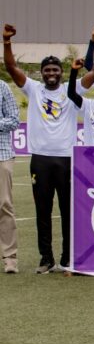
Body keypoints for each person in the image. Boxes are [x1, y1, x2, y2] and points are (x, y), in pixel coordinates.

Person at [3, 24, 94, 273]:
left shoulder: (72, 90)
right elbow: (11, 67)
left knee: (68, 211)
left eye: (55, 69)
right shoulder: (33, 89)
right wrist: (7, 41)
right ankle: (46, 259)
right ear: (42, 73)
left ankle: (67, 259)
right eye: (47, 70)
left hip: (67, 159)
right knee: (42, 211)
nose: (51, 73)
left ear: (62, 72)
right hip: (40, 160)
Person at [0, 75, 19, 273]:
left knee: (4, 205)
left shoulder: (2, 87)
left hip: (2, 154)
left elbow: (14, 120)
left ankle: (10, 257)